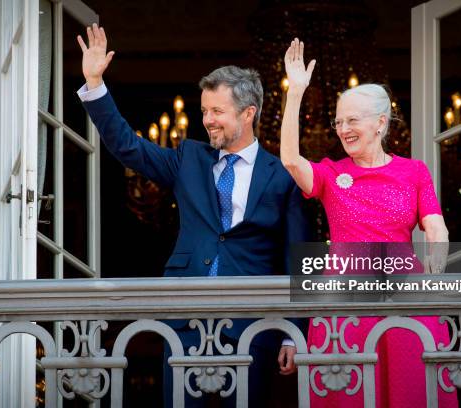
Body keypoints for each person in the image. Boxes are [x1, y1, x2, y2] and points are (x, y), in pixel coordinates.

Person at [76, 24, 308, 407]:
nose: (208, 119)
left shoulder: (282, 172)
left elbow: (296, 256)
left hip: (254, 326)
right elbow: (127, 147)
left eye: (218, 111)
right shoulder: (188, 158)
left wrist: (292, 334)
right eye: (204, 110)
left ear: (248, 113)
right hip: (183, 321)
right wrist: (95, 82)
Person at [280, 38, 457, 407]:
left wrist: (435, 269)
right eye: (338, 121)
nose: (342, 128)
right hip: (344, 299)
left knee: (410, 390)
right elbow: (291, 161)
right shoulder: (331, 173)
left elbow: (436, 226)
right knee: (348, 395)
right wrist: (295, 93)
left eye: (352, 120)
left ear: (380, 123)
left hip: (405, 293)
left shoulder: (413, 171)